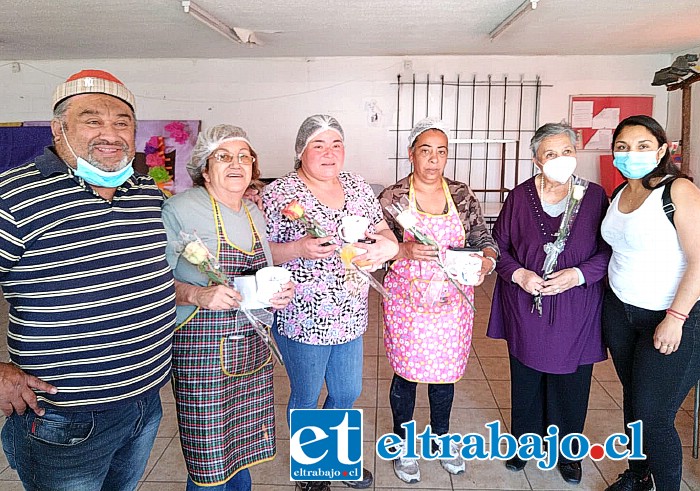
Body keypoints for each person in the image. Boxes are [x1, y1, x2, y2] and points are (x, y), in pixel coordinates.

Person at [0, 70, 176, 490]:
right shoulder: (14, 195)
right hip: (63, 415)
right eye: (92, 120)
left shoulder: (147, 193)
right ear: (59, 128)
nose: (110, 133)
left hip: (145, 401)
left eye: (122, 122)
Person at [262, 114, 399, 491]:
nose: (329, 152)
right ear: (301, 151)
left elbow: (383, 230)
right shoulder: (279, 193)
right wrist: (298, 248)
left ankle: (334, 459)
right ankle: (313, 470)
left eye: (336, 144)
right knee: (306, 395)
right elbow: (261, 251)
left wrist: (388, 245)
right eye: (318, 145)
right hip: (302, 315)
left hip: (350, 311)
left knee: (346, 391)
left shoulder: (356, 185)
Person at [162, 124, 294, 491]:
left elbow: (261, 272)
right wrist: (196, 294)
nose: (236, 164)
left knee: (240, 452)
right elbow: (149, 282)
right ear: (205, 168)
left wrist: (278, 290)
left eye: (244, 157)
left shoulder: (254, 211)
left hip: (250, 348)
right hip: (202, 353)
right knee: (209, 461)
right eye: (223, 156)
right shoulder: (179, 209)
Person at [486, 122, 611, 484]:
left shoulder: (595, 196)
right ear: (536, 159)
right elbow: (501, 247)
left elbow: (608, 252)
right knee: (526, 375)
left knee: (571, 380)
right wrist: (519, 275)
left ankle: (568, 452)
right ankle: (524, 442)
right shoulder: (519, 196)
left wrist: (578, 275)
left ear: (577, 153)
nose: (560, 160)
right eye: (550, 154)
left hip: (577, 305)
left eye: (567, 152)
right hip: (527, 301)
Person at [378, 117, 499, 484]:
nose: (433, 160)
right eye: (425, 151)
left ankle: (441, 438)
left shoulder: (460, 194)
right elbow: (375, 250)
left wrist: (487, 262)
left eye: (441, 152)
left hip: (452, 300)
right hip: (407, 301)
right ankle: (404, 444)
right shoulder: (393, 197)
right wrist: (404, 249)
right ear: (411, 154)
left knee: (444, 375)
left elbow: (482, 237)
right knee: (408, 373)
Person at [601, 115, 700, 491]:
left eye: (643, 146)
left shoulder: (679, 192)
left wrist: (675, 317)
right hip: (623, 312)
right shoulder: (621, 193)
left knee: (654, 416)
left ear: (661, 150)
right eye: (623, 147)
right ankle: (639, 475)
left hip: (673, 317)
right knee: (634, 404)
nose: (632, 154)